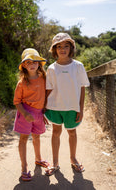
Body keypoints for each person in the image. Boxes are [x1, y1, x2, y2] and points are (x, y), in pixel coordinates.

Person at [44, 33, 90, 176]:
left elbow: (82, 88)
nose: (62, 49)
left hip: (72, 107)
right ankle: (56, 163)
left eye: (66, 46)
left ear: (71, 48)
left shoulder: (78, 66)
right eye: (59, 46)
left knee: (72, 132)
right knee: (56, 132)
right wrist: (43, 107)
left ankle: (73, 159)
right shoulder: (51, 68)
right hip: (55, 107)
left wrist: (80, 109)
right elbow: (48, 89)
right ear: (54, 49)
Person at [13, 48, 49, 181]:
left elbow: (44, 96)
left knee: (37, 137)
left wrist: (43, 112)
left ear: (39, 64)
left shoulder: (44, 78)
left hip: (39, 114)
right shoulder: (22, 83)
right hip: (25, 114)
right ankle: (24, 167)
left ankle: (38, 159)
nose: (32, 64)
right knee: (23, 139)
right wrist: (25, 114)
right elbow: (17, 101)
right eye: (28, 62)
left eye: (35, 61)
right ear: (23, 66)